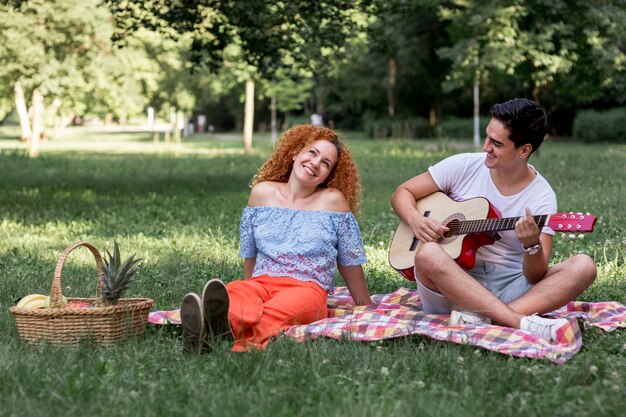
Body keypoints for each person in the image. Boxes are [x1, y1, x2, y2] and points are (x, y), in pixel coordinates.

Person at [390, 98, 597, 341]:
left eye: (497, 143)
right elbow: (402, 193)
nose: (486, 147)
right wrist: (416, 221)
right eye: (488, 137)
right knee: (426, 254)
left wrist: (531, 245)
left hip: (511, 287)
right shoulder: (465, 165)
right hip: (452, 284)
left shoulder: (542, 196)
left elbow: (534, 277)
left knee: (584, 265)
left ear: (523, 150)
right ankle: (517, 321)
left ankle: (485, 318)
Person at [181, 124, 372, 353]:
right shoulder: (261, 193)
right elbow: (250, 255)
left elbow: (349, 261)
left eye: (325, 163)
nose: (315, 163)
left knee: (276, 311)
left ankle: (227, 341)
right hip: (261, 282)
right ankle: (220, 324)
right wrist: (249, 288)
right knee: (236, 294)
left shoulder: (333, 201)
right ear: (295, 153)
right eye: (312, 152)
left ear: (328, 175)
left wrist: (364, 305)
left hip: (307, 289)